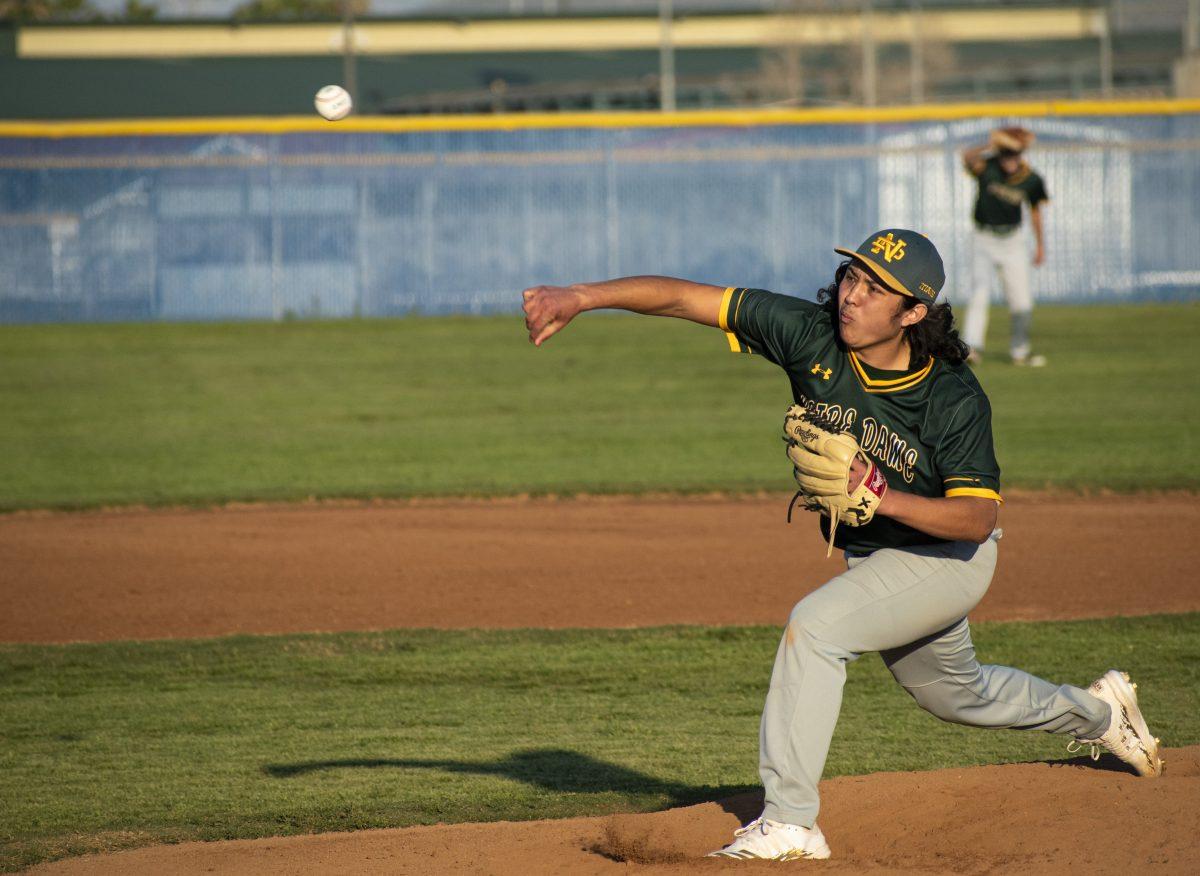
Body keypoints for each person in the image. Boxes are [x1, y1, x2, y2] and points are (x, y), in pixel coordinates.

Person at [521, 228, 1162, 863]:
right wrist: (579, 295)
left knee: (816, 629)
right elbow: (687, 298)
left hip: (949, 560)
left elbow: (974, 519)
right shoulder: (810, 333)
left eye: (875, 288)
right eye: (852, 276)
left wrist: (877, 494)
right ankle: (1102, 716)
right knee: (957, 694)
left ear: (913, 313)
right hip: (878, 557)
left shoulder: (952, 397)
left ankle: (792, 823)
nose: (852, 295)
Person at [961, 127, 1049, 367]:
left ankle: (1020, 351)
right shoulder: (987, 167)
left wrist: (1040, 245)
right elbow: (967, 157)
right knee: (979, 294)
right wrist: (990, 145)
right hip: (984, 238)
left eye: (1014, 154)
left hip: (1012, 242)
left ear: (1021, 154)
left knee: (1021, 301)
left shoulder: (1031, 179)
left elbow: (1035, 213)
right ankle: (971, 349)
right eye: (1006, 153)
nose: (1009, 159)